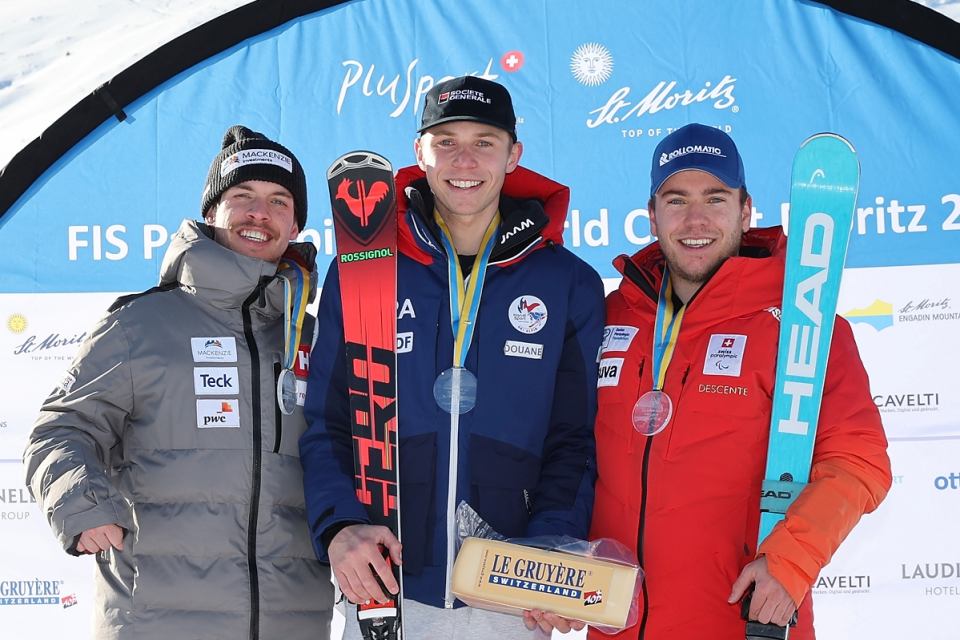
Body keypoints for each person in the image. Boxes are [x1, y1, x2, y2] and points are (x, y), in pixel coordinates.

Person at [300, 76, 605, 639]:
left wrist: (547, 545)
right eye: (446, 141)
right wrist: (339, 524)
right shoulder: (365, 271)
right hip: (388, 587)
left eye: (485, 141)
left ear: (514, 154)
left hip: (511, 592)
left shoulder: (568, 283)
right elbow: (326, 423)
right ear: (420, 152)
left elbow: (575, 440)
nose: (465, 159)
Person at [24, 125, 333, 640]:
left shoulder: (312, 337)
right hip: (158, 619)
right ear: (211, 212)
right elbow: (62, 427)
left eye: (279, 201)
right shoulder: (141, 324)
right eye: (242, 197)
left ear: (297, 222)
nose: (260, 214)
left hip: (292, 620)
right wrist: (84, 505)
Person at [588, 123, 891, 640]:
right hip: (617, 623)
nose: (695, 219)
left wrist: (792, 560)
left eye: (715, 198)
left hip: (741, 619)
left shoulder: (802, 320)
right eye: (676, 200)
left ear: (746, 210)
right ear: (651, 213)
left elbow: (858, 460)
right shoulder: (612, 315)